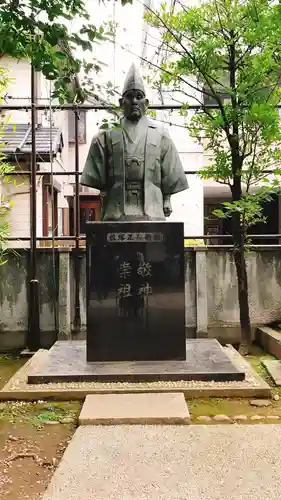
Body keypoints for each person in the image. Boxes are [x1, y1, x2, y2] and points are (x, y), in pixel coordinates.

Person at [80, 63, 188, 221]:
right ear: (121, 102)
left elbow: (170, 173)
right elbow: (97, 180)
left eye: (139, 96)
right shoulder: (105, 135)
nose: (134, 101)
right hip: (116, 209)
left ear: (146, 103)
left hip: (152, 207)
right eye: (129, 96)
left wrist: (167, 199)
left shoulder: (160, 134)